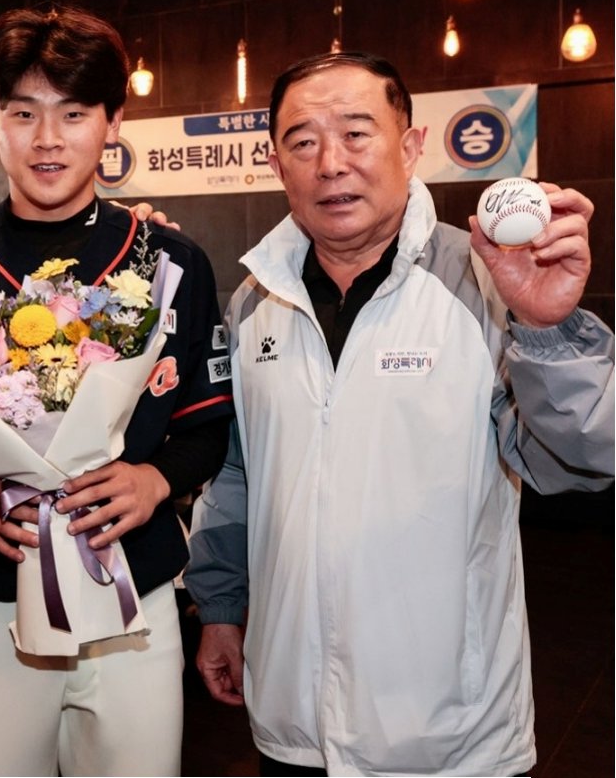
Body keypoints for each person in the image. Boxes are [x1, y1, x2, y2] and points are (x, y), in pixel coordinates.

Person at [185, 51, 614, 777]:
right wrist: (220, 605)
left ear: (411, 146)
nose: (331, 163)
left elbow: (584, 459)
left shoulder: (486, 281)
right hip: (292, 721)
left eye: (357, 133)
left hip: (449, 732)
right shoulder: (255, 299)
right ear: (276, 164)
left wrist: (546, 329)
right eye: (303, 141)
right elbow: (239, 471)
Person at [0, 5, 234, 776]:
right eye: (23, 113)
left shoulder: (167, 261)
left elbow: (207, 425)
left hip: (134, 589)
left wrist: (154, 480)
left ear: (113, 123)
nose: (48, 138)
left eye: (74, 113)